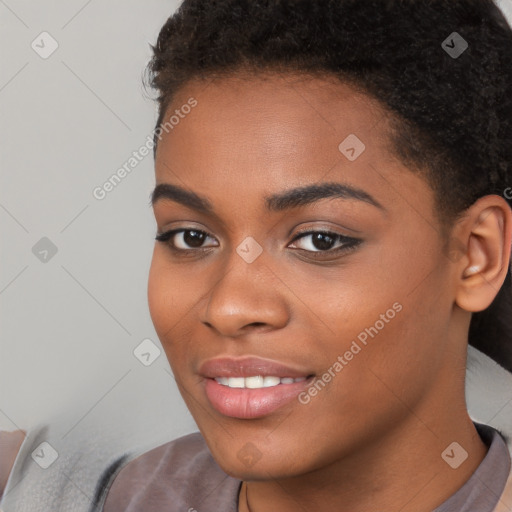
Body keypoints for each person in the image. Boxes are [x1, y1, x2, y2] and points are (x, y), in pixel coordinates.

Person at [1, 0, 512, 510]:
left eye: (320, 239)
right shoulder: (66, 495)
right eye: (191, 237)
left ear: (476, 255)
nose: (228, 307)